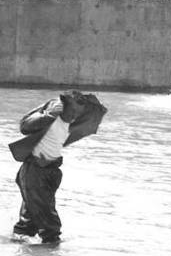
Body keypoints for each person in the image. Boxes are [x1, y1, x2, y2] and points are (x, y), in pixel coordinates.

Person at [9, 91, 106, 244]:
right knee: (49, 225)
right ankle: (50, 255)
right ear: (65, 107)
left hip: (51, 170)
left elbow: (93, 111)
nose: (75, 113)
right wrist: (49, 115)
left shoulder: (68, 124)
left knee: (30, 219)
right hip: (35, 171)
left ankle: (27, 251)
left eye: (78, 109)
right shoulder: (52, 118)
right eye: (73, 109)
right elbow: (24, 126)